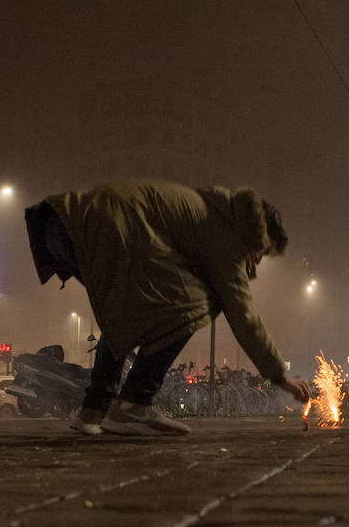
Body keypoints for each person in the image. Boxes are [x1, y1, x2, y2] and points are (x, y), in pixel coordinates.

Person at [23, 180, 311, 436]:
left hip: (63, 225)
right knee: (189, 304)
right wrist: (280, 375)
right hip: (98, 230)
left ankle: (95, 409)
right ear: (260, 237)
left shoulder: (216, 210)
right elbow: (243, 314)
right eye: (262, 252)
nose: (258, 262)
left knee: (129, 312)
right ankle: (134, 404)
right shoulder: (229, 233)